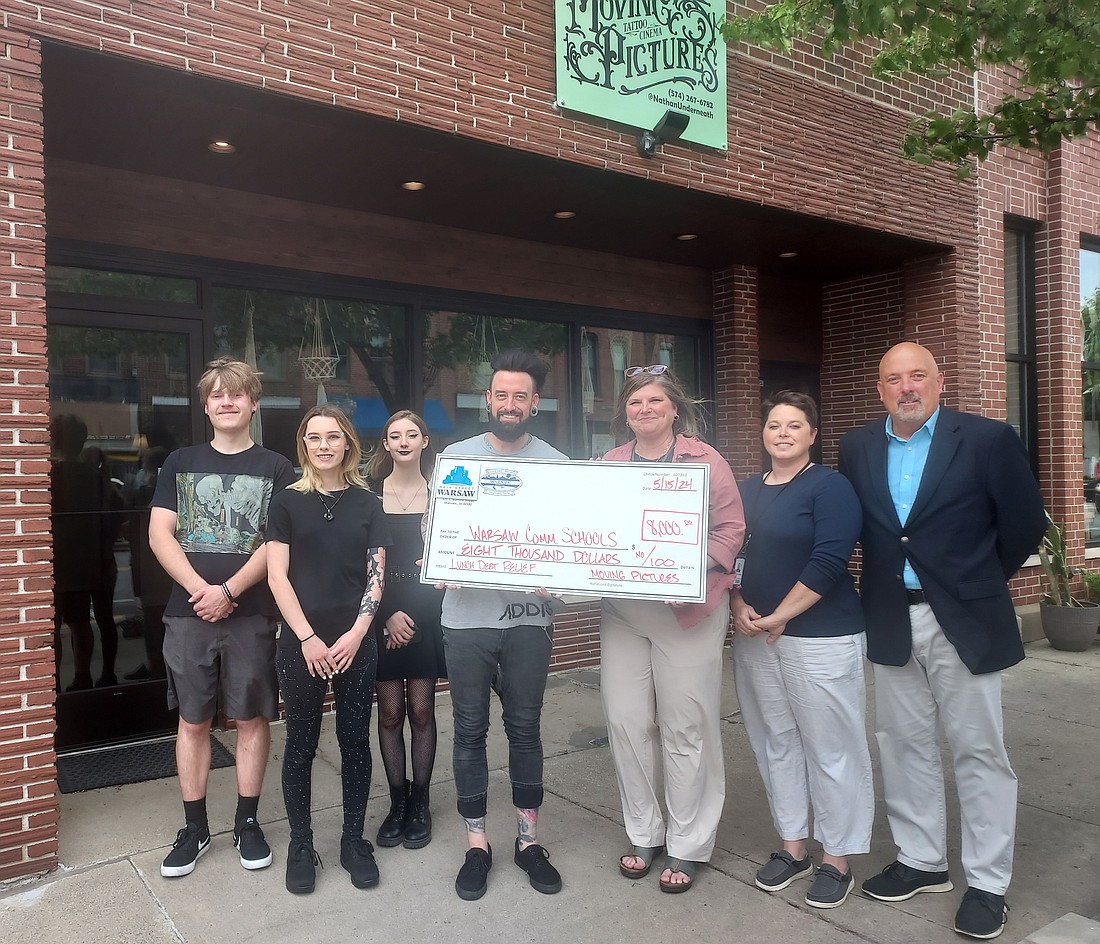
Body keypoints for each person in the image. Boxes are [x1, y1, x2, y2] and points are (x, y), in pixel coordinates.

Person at [838, 342, 1046, 940]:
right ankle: (921, 860)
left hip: (964, 616)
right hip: (890, 615)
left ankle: (987, 883)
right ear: (880, 389)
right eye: (893, 379)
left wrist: (975, 579)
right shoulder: (857, 447)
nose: (906, 387)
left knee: (979, 751)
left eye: (917, 377)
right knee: (902, 744)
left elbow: (1024, 522)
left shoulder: (986, 439)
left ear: (940, 382)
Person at [599, 364, 744, 894]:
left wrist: (686, 564)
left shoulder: (706, 460)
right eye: (635, 404)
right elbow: (592, 530)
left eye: (654, 402)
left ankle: (688, 842)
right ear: (625, 414)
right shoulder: (610, 464)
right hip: (624, 613)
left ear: (675, 409)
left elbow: (731, 528)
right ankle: (644, 830)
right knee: (626, 720)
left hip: (688, 613)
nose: (644, 411)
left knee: (687, 727)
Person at [149, 357, 295, 879]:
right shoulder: (179, 463)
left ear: (253, 403)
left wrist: (230, 590)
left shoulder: (276, 468)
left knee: (251, 718)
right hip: (189, 615)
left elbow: (277, 541)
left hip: (252, 614)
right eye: (217, 395)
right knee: (193, 721)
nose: (226, 403)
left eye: (237, 395)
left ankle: (247, 822)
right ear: (206, 404)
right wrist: (200, 591)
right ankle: (195, 828)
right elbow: (159, 533)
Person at [731, 391, 873, 909]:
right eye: (774, 424)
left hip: (821, 637)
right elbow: (733, 555)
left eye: (795, 425)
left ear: (813, 435)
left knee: (831, 747)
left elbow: (829, 559)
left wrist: (782, 614)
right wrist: (739, 604)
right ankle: (792, 846)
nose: (783, 432)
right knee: (776, 741)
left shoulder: (830, 487)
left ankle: (837, 858)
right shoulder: (745, 491)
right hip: (756, 637)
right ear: (764, 434)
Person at [440, 348, 567, 902]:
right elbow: (439, 528)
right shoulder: (454, 458)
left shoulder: (559, 465)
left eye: (521, 396)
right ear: (486, 399)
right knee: (468, 732)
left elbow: (569, 543)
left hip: (527, 621)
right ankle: (476, 843)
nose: (510, 404)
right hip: (466, 620)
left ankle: (527, 840)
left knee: (525, 729)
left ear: (534, 403)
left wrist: (557, 578)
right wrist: (442, 563)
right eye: (501, 394)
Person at [266, 404, 391, 894]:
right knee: (299, 746)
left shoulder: (368, 503)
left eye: (332, 437)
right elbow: (277, 575)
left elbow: (375, 576)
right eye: (314, 437)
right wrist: (308, 638)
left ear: (347, 444)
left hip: (355, 642)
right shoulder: (286, 502)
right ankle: (302, 843)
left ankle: (352, 839)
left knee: (355, 744)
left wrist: (358, 633)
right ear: (304, 444)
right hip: (302, 644)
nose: (323, 445)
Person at [367, 411, 446, 851]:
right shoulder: (369, 496)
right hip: (381, 613)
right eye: (394, 435)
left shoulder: (442, 495)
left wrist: (413, 614)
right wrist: (387, 616)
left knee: (420, 711)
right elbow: (362, 564)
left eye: (411, 434)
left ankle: (421, 801)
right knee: (391, 713)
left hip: (427, 612)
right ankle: (396, 803)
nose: (402, 441)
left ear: (424, 441)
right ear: (385, 444)